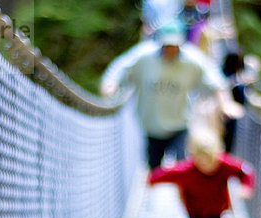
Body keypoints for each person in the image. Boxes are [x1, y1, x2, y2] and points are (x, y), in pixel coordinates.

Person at [100, 20, 243, 170]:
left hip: (179, 125)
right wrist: (109, 86)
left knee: (183, 170)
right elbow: (118, 70)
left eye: (174, 45)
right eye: (167, 45)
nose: (170, 49)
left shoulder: (192, 59)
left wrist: (225, 103)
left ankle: (181, 193)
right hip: (152, 127)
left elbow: (216, 81)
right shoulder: (143, 56)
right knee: (154, 171)